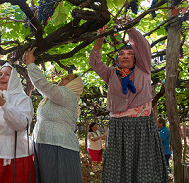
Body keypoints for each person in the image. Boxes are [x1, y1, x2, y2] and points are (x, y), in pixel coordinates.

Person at [89, 26, 169, 182]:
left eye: (130, 54)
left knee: (144, 169)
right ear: (117, 58)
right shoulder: (111, 73)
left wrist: (130, 29)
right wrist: (99, 39)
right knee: (118, 169)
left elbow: (144, 47)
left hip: (141, 126)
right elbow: (94, 62)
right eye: (121, 54)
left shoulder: (144, 69)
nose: (125, 57)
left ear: (136, 57)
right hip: (118, 127)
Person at [25, 48, 84, 183]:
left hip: (58, 145)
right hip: (46, 144)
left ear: (74, 84)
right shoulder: (57, 97)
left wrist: (31, 65)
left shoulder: (68, 95)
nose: (62, 78)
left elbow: (43, 85)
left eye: (67, 78)